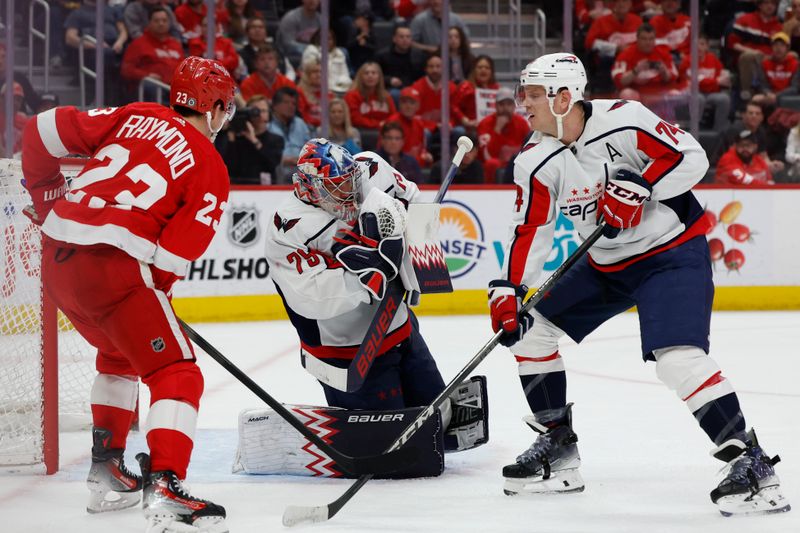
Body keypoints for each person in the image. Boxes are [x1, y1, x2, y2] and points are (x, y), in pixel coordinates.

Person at [489, 52, 789, 516]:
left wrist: (642, 185)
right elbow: (531, 230)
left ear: (564, 97)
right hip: (605, 262)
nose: (521, 104)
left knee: (678, 359)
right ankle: (557, 449)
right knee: (531, 330)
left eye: (531, 95)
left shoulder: (625, 120)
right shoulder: (534, 160)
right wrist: (509, 288)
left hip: (670, 254)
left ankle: (751, 464)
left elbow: (691, 157)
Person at [20, 56, 236, 532]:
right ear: (214, 106)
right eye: (225, 108)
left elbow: (39, 129)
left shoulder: (134, 114)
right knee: (176, 372)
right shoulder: (210, 166)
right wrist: (150, 305)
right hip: (113, 271)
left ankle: (107, 474)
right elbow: (172, 260)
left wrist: (45, 197)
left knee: (118, 355)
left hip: (58, 261)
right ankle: (165, 485)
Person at [265, 138, 445, 410]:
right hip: (346, 354)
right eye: (336, 187)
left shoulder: (370, 168)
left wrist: (418, 265)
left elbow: (413, 200)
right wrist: (366, 279)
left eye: (349, 180)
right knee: (386, 446)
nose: (349, 191)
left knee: (438, 422)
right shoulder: (286, 227)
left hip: (400, 327)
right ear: (308, 186)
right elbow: (308, 296)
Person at [120, 7, 184, 99]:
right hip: (152, 88)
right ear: (149, 23)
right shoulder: (138, 44)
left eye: (164, 20)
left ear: (169, 23)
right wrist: (146, 75)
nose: (161, 24)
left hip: (174, 89)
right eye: (156, 21)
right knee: (151, 86)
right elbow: (126, 70)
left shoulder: (176, 44)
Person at [221, 95, 285, 184]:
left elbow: (272, 163)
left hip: (267, 190)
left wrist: (254, 140)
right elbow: (228, 167)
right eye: (255, 111)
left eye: (263, 111)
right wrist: (232, 139)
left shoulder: (276, 139)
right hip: (239, 188)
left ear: (269, 114)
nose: (259, 114)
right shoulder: (237, 137)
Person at [476, 87, 530, 183]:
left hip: (516, 162)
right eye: (502, 104)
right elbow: (485, 156)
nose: (505, 108)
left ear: (514, 106)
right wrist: (497, 130)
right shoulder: (485, 124)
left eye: (509, 104)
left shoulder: (522, 123)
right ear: (495, 106)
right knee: (491, 164)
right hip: (496, 163)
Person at [268, 87, 313, 183]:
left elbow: (311, 150)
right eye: (286, 102)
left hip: (301, 174)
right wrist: (284, 160)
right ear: (275, 105)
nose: (291, 106)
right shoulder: (267, 124)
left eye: (293, 103)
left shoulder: (300, 123)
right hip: (277, 174)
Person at [344, 61, 396, 130]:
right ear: (360, 77)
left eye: (374, 73)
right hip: (361, 131)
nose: (370, 76)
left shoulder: (386, 96)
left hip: (384, 132)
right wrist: (379, 124)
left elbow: (393, 116)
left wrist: (385, 124)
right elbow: (355, 119)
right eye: (366, 73)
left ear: (379, 77)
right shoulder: (352, 95)